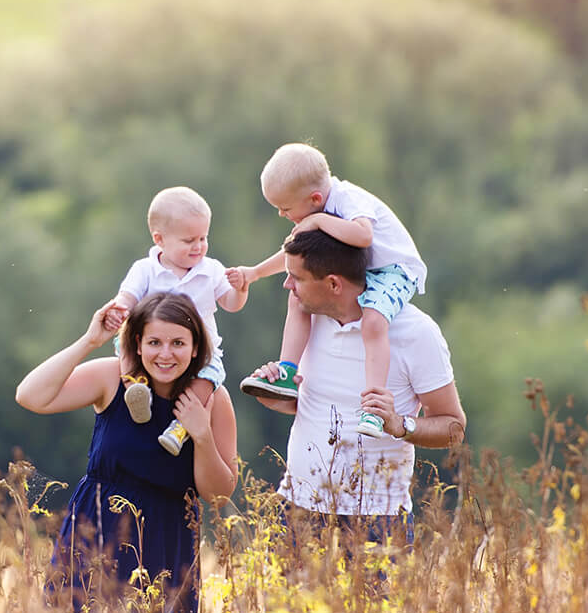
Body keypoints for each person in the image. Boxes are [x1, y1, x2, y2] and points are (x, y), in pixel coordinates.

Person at [15, 292, 238, 613]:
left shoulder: (213, 399)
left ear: (195, 348)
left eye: (178, 343)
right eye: (154, 342)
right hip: (95, 533)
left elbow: (218, 496)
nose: (165, 354)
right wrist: (90, 340)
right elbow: (31, 396)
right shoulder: (112, 377)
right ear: (137, 343)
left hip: (166, 540)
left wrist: (201, 435)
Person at [245, 229, 465, 541]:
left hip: (378, 521)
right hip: (295, 510)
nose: (287, 284)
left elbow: (453, 427)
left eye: (296, 277)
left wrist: (399, 424)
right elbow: (313, 407)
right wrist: (275, 394)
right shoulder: (308, 320)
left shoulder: (416, 332)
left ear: (333, 284)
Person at [227, 143, 427, 439]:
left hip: (394, 270)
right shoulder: (318, 208)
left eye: (285, 208)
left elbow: (363, 235)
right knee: (297, 296)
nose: (282, 215)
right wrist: (254, 273)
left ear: (315, 198)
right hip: (360, 269)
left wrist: (318, 220)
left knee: (373, 321)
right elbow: (293, 253)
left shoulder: (347, 200)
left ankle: (373, 406)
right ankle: (287, 372)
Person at [104, 186, 249, 456]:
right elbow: (127, 296)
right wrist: (119, 309)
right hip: (151, 345)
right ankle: (136, 390)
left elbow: (231, 304)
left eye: (203, 238)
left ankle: (180, 428)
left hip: (199, 350)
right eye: (188, 241)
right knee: (124, 345)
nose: (198, 247)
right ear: (159, 239)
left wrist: (241, 289)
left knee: (208, 378)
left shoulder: (211, 270)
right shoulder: (145, 269)